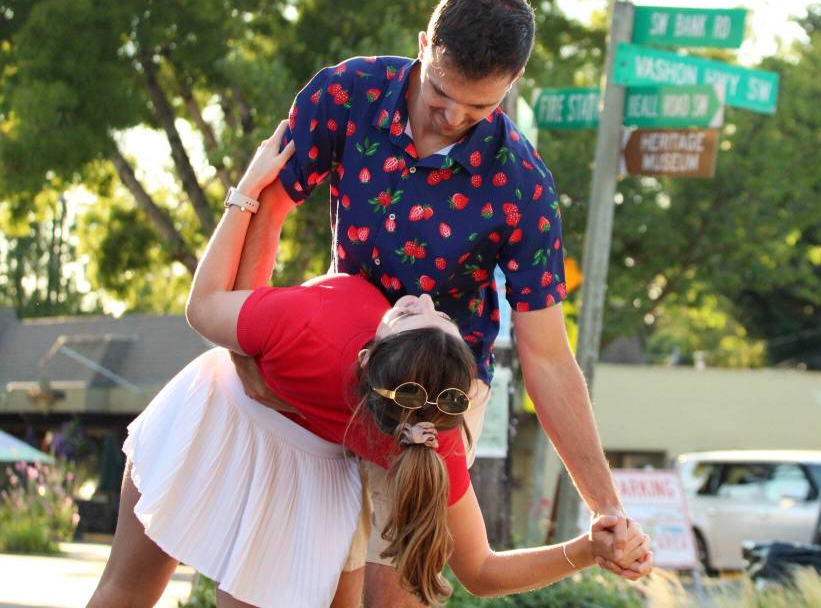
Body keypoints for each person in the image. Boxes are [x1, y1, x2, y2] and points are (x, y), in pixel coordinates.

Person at [87, 123, 651, 608]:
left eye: (416, 314)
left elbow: (204, 305)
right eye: (438, 315)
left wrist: (246, 192)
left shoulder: (333, 326)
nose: (424, 297)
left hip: (302, 467)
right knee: (130, 591)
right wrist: (585, 551)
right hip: (224, 419)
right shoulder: (423, 427)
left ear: (373, 350)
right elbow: (480, 571)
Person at [231, 0, 649, 607]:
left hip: (438, 395)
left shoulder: (523, 184)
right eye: (439, 96)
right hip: (340, 363)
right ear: (424, 44)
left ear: (511, 87)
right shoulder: (347, 92)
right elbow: (271, 206)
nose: (452, 118)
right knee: (310, 580)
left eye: (478, 109)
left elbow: (545, 353)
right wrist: (248, 352)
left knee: (397, 588)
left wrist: (605, 505)